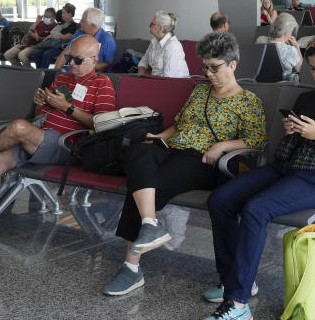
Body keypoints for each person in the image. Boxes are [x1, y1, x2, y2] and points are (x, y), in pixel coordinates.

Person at [198, 35, 315, 320]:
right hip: (291, 164)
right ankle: (234, 278)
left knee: (256, 209)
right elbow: (294, 141)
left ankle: (237, 304)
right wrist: (293, 130)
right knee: (221, 200)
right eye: (312, 69)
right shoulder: (306, 98)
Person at [102, 32, 267, 296]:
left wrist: (221, 146)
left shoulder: (248, 101)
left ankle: (131, 268)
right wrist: (159, 137)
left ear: (232, 64)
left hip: (204, 159)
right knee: (139, 153)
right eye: (205, 67)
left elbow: (256, 141)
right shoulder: (200, 90)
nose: (208, 73)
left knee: (144, 184)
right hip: (173, 148)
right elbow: (180, 124)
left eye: (214, 67)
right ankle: (149, 224)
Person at [0, 35, 116, 254]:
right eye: (69, 57)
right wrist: (41, 104)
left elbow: (102, 125)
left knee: (19, 127)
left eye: (78, 60)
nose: (70, 64)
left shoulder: (102, 84)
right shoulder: (62, 79)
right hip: (39, 138)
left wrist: (66, 107)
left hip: (66, 145)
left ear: (94, 60)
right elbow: (43, 116)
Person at [51, 8, 116, 72]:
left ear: (93, 25)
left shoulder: (107, 40)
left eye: (83, 21)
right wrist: (55, 72)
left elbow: (109, 64)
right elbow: (66, 51)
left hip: (94, 73)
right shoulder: (79, 33)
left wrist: (85, 66)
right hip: (74, 69)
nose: (79, 22)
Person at [137, 11, 187, 77]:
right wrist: (141, 78)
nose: (149, 25)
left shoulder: (172, 46)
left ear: (161, 27)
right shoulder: (154, 40)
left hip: (171, 85)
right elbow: (143, 63)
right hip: (155, 82)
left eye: (152, 24)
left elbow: (168, 79)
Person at [257, 13, 301, 81]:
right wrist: (297, 47)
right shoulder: (290, 50)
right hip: (282, 86)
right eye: (291, 31)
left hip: (258, 83)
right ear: (287, 31)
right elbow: (300, 69)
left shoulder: (260, 40)